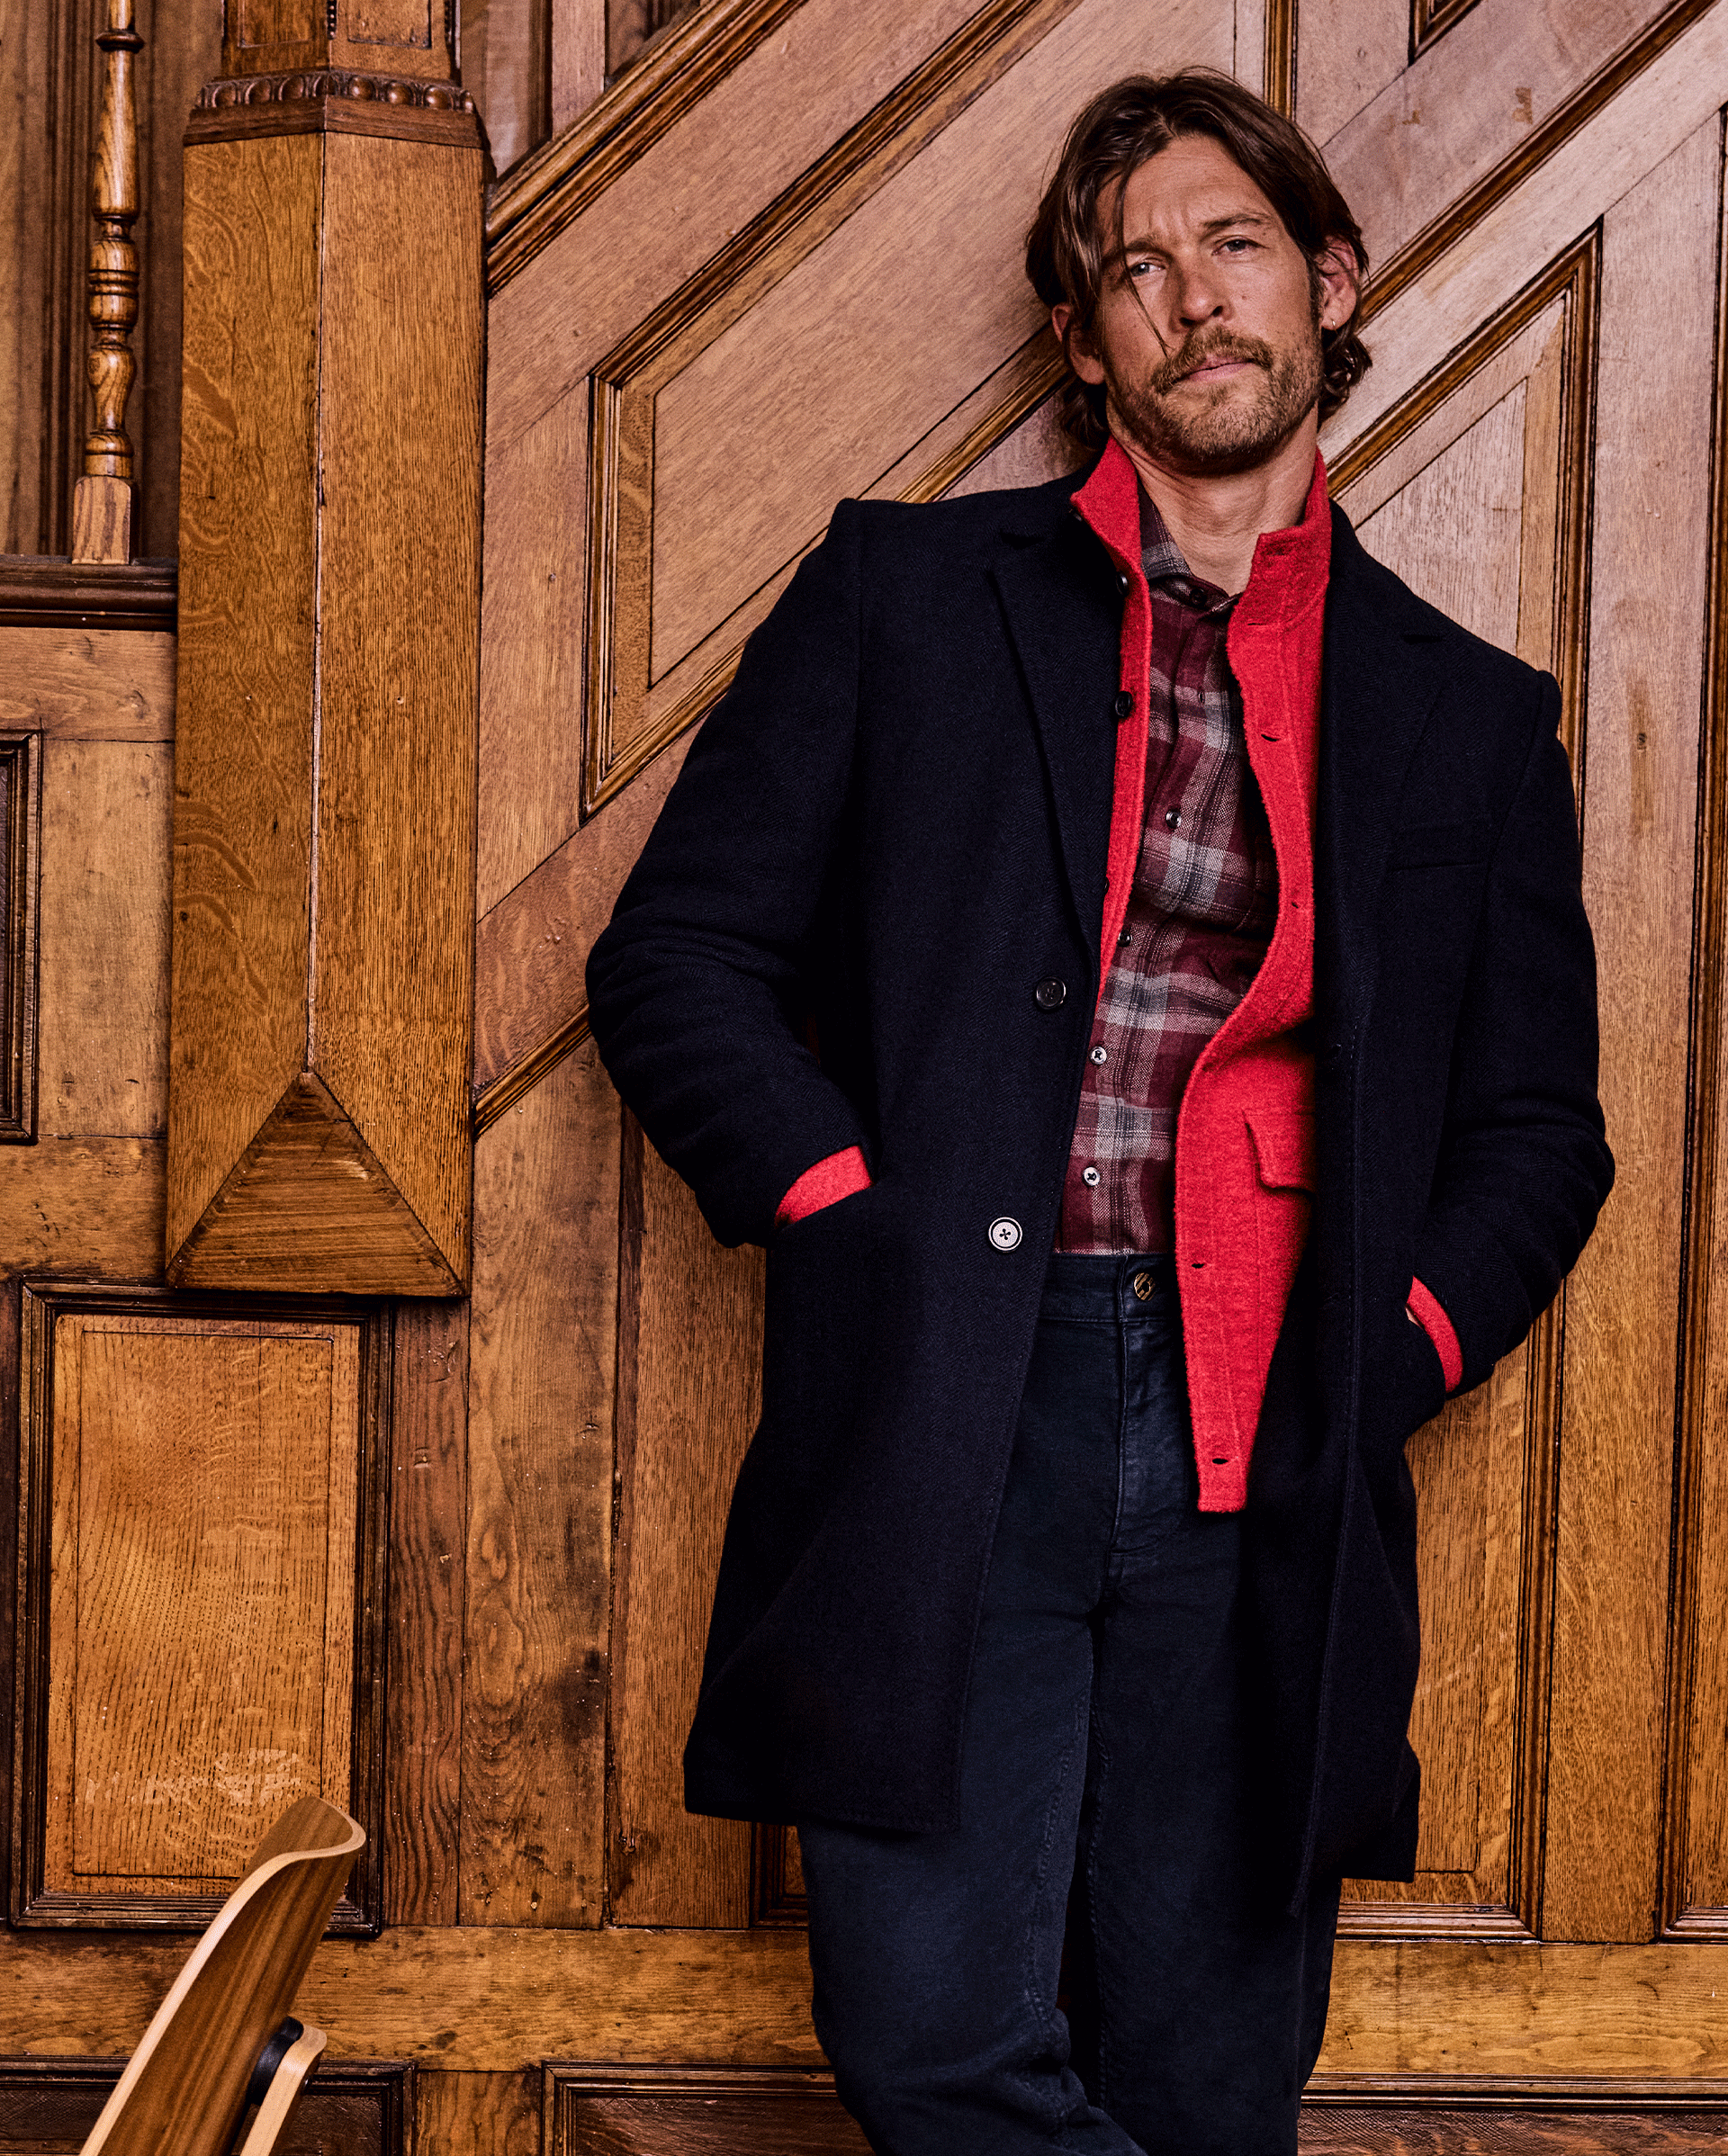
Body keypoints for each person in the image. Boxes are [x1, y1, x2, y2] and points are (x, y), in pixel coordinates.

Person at [586, 68, 1613, 2156]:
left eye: (1233, 245)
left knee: (1203, 2086)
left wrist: (1395, 1346)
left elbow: (1541, 1129)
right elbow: (673, 960)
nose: (1191, 300)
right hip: (962, 1393)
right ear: (1086, 345)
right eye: (1130, 271)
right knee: (936, 2045)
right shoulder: (905, 604)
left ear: (1329, 283)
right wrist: (849, 1210)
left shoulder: (1469, 720)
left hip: (1275, 1435)